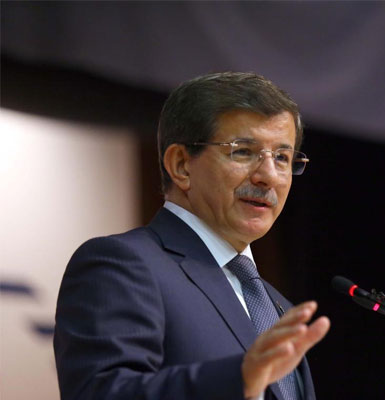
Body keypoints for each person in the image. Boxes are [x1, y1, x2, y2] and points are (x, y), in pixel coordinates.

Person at [53, 72, 330, 400]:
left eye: (282, 157)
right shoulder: (122, 266)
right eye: (243, 151)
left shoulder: (276, 306)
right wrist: (238, 379)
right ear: (182, 165)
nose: (269, 176)